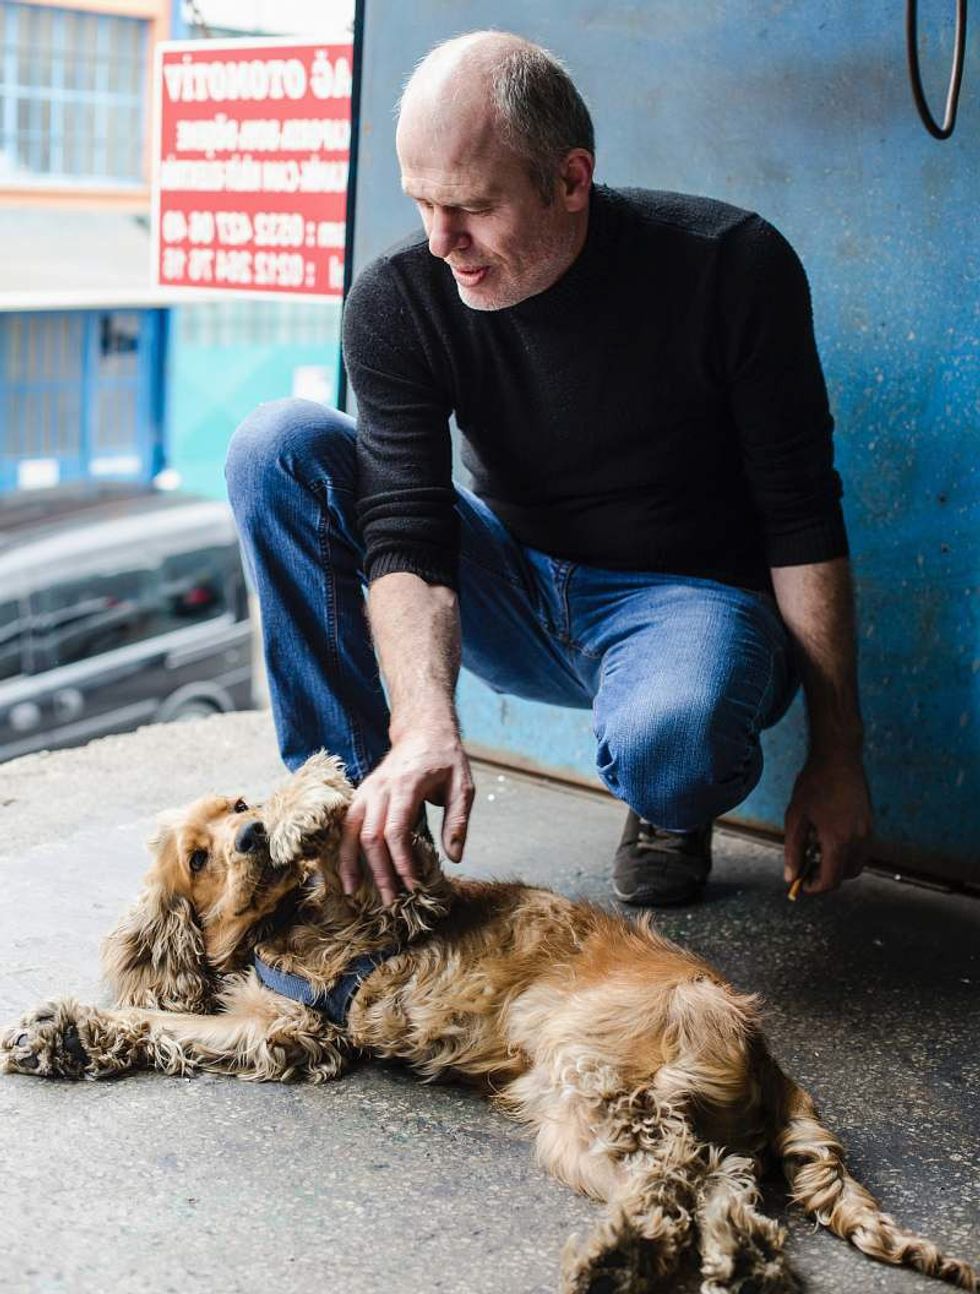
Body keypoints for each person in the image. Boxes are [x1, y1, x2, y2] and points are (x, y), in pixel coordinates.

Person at [226, 30, 872, 908]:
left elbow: (801, 517)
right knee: (279, 445)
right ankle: (353, 818)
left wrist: (838, 758)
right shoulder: (402, 298)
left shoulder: (733, 267)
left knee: (672, 751)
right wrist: (423, 723)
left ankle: (665, 803)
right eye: (422, 203)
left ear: (571, 180)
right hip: (514, 586)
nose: (441, 240)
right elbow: (405, 531)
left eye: (471, 207)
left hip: (683, 604)